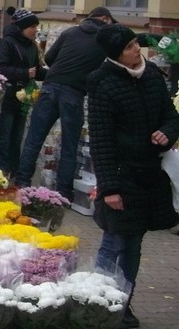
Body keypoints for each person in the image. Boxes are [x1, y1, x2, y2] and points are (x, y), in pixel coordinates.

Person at [88, 24, 179, 329]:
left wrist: (167, 132)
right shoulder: (101, 82)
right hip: (120, 174)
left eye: (135, 43)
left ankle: (123, 302)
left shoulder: (152, 74)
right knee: (114, 240)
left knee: (134, 244)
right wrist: (109, 188)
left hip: (150, 174)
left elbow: (171, 115)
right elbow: (100, 140)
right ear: (115, 54)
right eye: (128, 47)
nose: (136, 49)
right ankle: (99, 304)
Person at [15, 6, 116, 201]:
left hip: (50, 87)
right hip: (74, 93)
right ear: (104, 18)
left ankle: (22, 183)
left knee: (34, 139)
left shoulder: (69, 32)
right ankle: (62, 194)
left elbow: (50, 58)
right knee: (69, 146)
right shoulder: (105, 38)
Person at [0, 7, 47, 176]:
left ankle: (11, 173)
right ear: (22, 28)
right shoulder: (8, 43)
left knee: (17, 139)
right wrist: (24, 73)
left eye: (36, 27)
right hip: (8, 96)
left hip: (24, 97)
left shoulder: (32, 46)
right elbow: (0, 68)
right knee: (2, 137)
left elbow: (37, 70)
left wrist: (54, 73)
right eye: (32, 27)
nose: (35, 30)